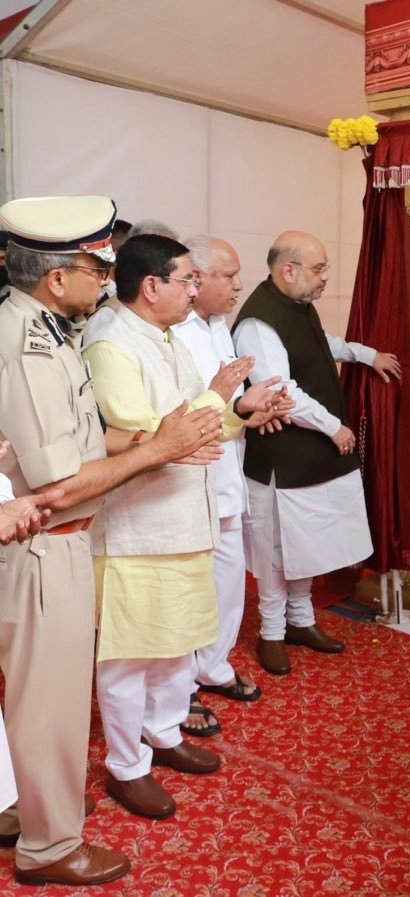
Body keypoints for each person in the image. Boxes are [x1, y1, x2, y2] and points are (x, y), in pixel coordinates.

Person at [0, 195, 220, 885]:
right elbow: (61, 481)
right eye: (98, 265)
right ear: (57, 276)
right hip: (46, 541)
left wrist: (155, 439)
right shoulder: (30, 340)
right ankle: (50, 844)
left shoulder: (45, 326)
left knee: (44, 700)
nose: (107, 276)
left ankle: (32, 808)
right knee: (49, 704)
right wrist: (161, 449)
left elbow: (81, 440)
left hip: (56, 535)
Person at [82, 234, 281, 820]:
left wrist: (236, 409)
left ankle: (163, 732)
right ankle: (125, 766)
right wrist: (215, 400)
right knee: (128, 652)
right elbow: (142, 433)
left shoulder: (166, 336)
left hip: (182, 514)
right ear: (152, 286)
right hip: (137, 524)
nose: (197, 290)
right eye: (188, 280)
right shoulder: (112, 342)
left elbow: (199, 423)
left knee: (174, 642)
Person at [232, 230, 401, 675]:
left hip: (310, 450)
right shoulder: (257, 322)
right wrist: (335, 427)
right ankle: (271, 630)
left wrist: (365, 354)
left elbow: (318, 343)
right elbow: (282, 392)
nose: (325, 277)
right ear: (288, 270)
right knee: (275, 548)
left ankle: (301, 620)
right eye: (319, 268)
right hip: (279, 456)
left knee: (307, 542)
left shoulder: (296, 305)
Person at [172, 235, 294, 734]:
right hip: (186, 478)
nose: (238, 285)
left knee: (226, 580)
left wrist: (255, 409)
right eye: (228, 276)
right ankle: (177, 694)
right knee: (186, 590)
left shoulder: (219, 326)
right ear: (195, 280)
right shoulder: (172, 332)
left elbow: (231, 400)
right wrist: (240, 408)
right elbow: (180, 410)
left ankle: (213, 666)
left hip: (227, 472)